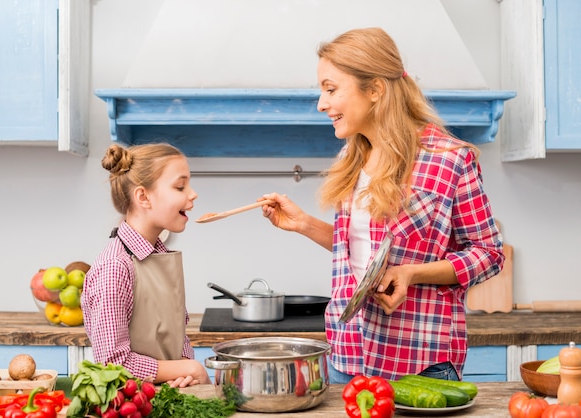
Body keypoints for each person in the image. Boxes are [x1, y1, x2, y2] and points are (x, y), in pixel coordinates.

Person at [260, 27, 505, 383]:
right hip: (349, 354)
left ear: (374, 90)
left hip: (419, 358)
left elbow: (489, 253)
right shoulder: (352, 156)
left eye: (331, 89)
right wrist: (304, 224)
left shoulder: (449, 159)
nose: (321, 103)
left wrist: (411, 273)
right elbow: (367, 253)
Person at [82, 143, 211, 387]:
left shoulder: (159, 257)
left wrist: (182, 370)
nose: (192, 194)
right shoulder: (115, 268)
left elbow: (174, 336)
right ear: (143, 197)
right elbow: (113, 365)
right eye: (180, 186)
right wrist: (190, 367)